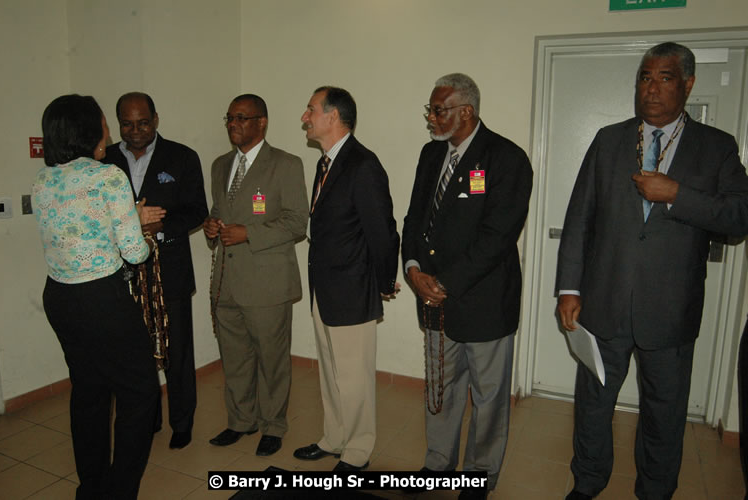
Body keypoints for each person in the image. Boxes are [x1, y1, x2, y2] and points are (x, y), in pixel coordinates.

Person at [556, 42, 748, 500]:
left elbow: (739, 218)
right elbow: (580, 217)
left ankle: (656, 491)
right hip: (604, 303)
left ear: (688, 83)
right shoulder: (609, 140)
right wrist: (568, 287)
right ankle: (587, 482)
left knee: (664, 412)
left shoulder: (717, 147)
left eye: (664, 78)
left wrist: (677, 194)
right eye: (645, 77)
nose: (652, 89)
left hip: (670, 309)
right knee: (593, 405)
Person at [401, 73, 533, 499]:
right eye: (431, 109)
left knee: (489, 394)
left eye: (438, 110)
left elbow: (497, 236)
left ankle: (480, 473)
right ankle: (438, 463)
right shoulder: (430, 154)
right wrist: (413, 268)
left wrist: (445, 282)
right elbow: (414, 218)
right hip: (433, 296)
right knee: (440, 386)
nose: (431, 118)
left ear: (467, 111)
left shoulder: (506, 158)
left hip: (484, 301)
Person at [32, 94, 159, 499]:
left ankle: (91, 488)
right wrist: (141, 230)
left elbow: (74, 232)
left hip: (60, 298)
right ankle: (121, 490)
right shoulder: (107, 177)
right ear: (88, 129)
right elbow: (133, 252)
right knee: (140, 395)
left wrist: (120, 221)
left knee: (88, 392)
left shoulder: (43, 179)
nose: (108, 129)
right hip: (102, 301)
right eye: (104, 122)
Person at [293, 86, 400, 472]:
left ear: (333, 116)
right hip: (326, 289)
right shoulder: (326, 163)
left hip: (353, 290)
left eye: (310, 110)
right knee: (332, 373)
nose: (304, 117)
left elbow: (383, 233)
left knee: (354, 379)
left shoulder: (362, 165)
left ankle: (357, 451)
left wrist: (384, 282)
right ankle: (334, 437)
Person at [204, 94, 308, 457]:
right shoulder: (219, 165)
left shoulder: (286, 164)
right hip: (227, 281)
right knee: (234, 356)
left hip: (267, 282)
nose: (234, 124)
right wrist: (211, 225)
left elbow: (298, 222)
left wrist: (250, 233)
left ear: (261, 122)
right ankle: (240, 421)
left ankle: (273, 425)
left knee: (271, 359)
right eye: (229, 118)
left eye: (242, 118)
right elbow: (219, 208)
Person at [104, 92, 208, 450]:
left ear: (156, 119)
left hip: (170, 272)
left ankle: (182, 421)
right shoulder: (105, 161)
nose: (135, 131)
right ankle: (148, 418)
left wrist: (158, 229)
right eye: (127, 124)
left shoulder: (181, 157)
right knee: (134, 354)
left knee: (177, 352)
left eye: (143, 123)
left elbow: (196, 211)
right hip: (120, 275)